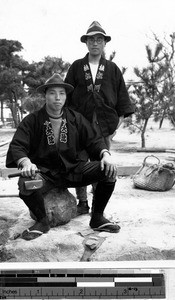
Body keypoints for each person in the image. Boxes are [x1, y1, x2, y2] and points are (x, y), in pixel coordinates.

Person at [6, 73, 120, 241]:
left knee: (109, 170)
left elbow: (94, 141)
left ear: (66, 96)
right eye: (52, 93)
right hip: (45, 174)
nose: (57, 98)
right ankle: (42, 221)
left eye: (62, 93)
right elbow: (18, 145)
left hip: (75, 169)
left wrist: (105, 154)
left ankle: (97, 217)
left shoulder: (76, 118)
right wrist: (26, 162)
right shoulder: (32, 120)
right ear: (45, 95)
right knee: (26, 183)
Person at [65, 21, 134, 215]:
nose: (95, 43)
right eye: (91, 39)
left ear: (104, 44)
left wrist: (114, 127)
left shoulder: (112, 69)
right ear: (86, 43)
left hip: (104, 125)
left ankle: (98, 205)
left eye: (99, 40)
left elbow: (122, 100)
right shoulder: (76, 67)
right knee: (79, 162)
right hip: (80, 124)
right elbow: (66, 96)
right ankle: (83, 202)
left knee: (103, 164)